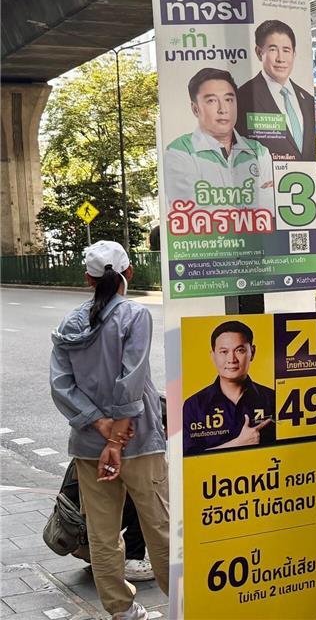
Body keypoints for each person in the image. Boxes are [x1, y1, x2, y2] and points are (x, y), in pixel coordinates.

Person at [50, 241, 169, 620]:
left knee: (102, 534)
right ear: (128, 274)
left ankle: (122, 611)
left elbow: (61, 385)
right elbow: (130, 382)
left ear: (87, 278)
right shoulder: (135, 315)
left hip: (89, 445)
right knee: (159, 526)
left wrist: (98, 424)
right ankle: (183, 604)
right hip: (138, 441)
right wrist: (116, 438)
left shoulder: (69, 324)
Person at [163, 68, 274, 210]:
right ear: (195, 109)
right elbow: (194, 212)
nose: (223, 109)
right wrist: (258, 197)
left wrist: (217, 204)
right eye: (212, 101)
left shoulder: (259, 151)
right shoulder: (179, 153)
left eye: (228, 99)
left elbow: (274, 207)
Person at [182, 321, 276, 455]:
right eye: (224, 351)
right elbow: (188, 460)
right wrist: (238, 444)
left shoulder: (273, 399)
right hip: (213, 476)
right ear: (213, 355)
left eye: (240, 350)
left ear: (252, 352)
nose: (232, 359)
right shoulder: (194, 405)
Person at [236, 20, 316, 162]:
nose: (280, 58)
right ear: (259, 52)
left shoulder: (308, 100)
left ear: (294, 53)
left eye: (286, 50)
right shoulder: (242, 97)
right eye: (273, 50)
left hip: (302, 182)